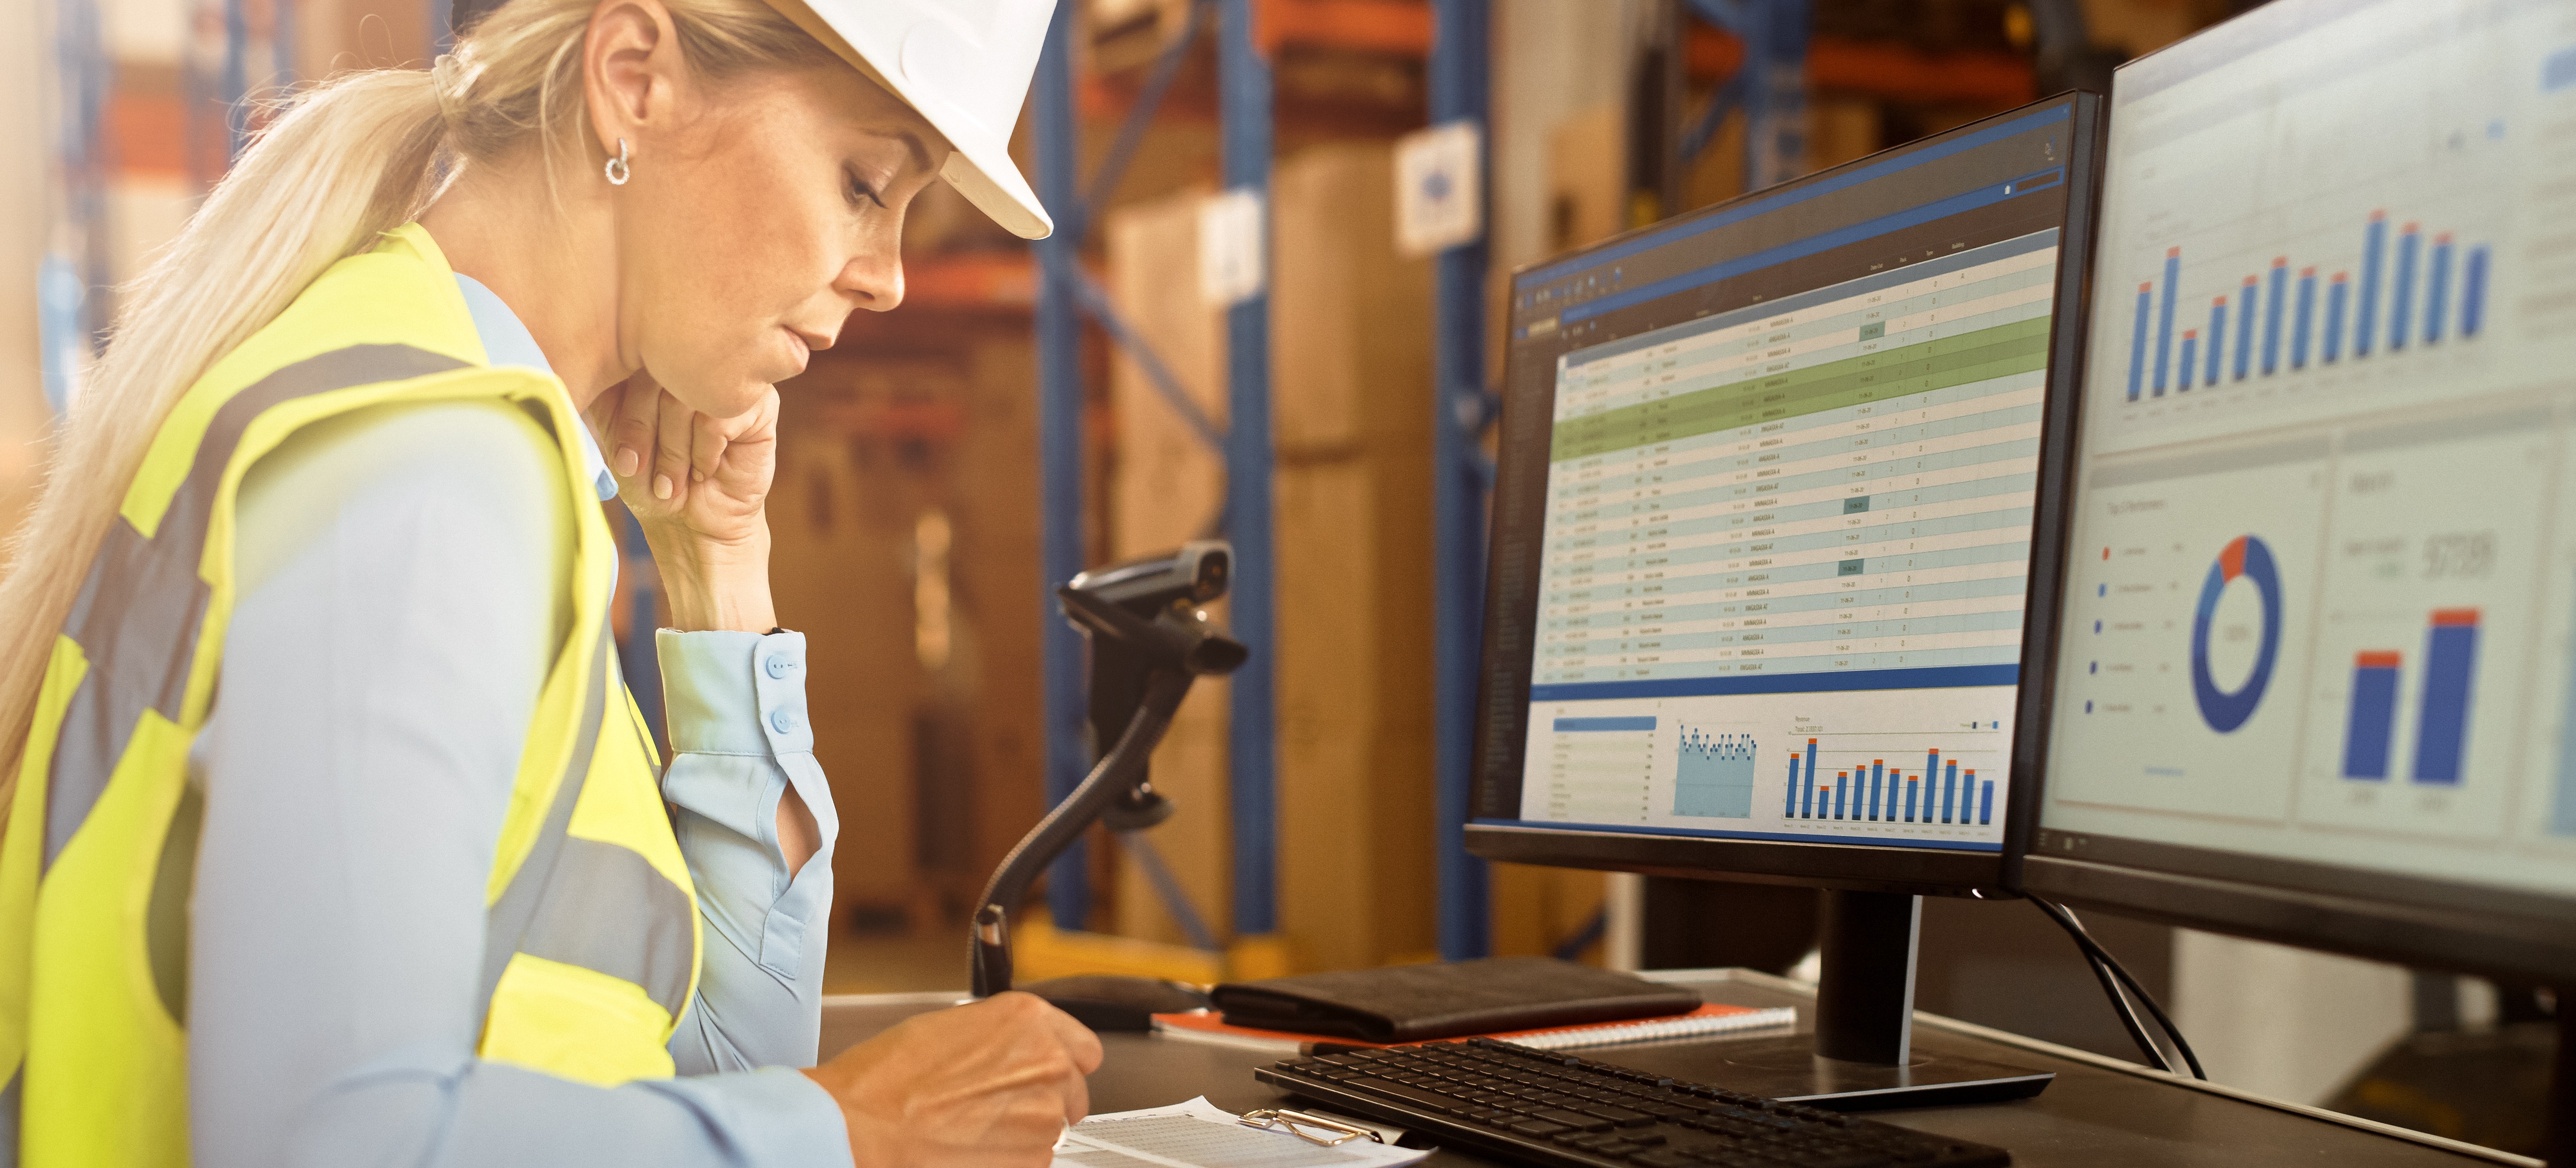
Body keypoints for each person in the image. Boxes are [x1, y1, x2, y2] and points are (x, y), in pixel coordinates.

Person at [0, 0, 1100, 1164]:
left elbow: (728, 1067)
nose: (888, 279)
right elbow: (328, 1140)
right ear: (633, 80)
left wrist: (716, 570)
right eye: (865, 184)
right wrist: (861, 1129)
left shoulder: (467, 442)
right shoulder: (428, 470)